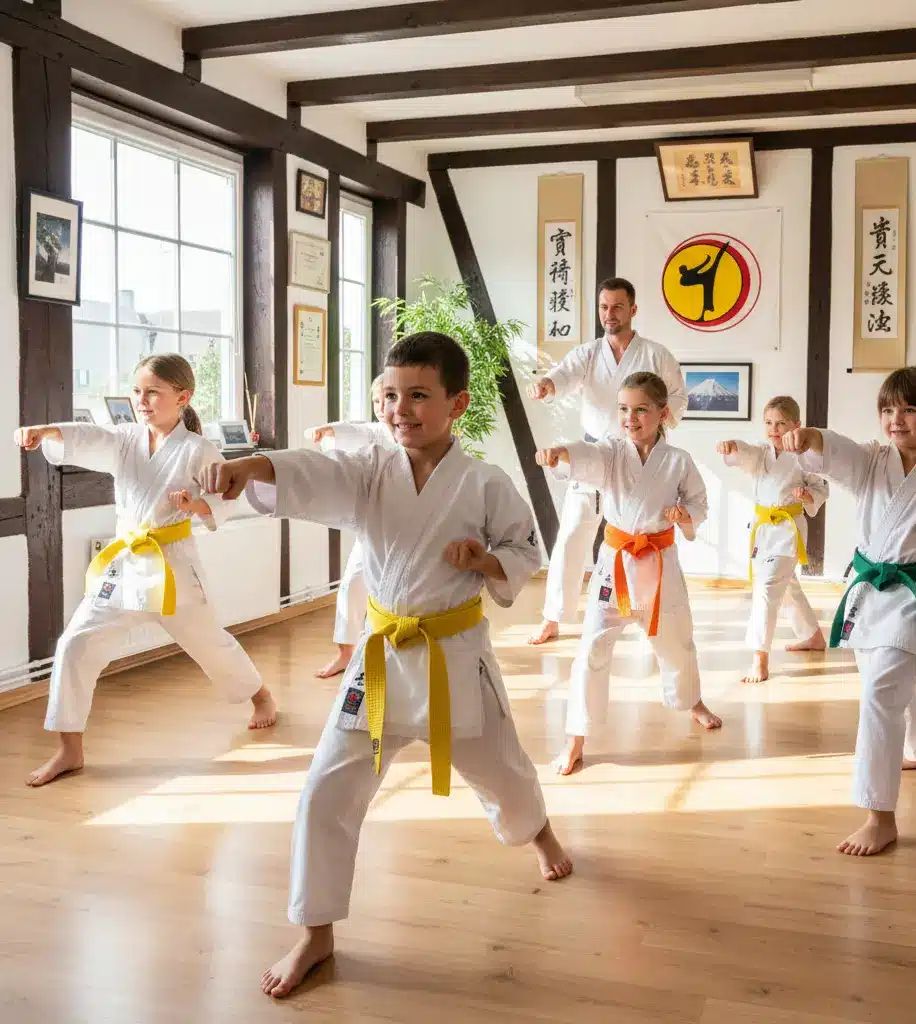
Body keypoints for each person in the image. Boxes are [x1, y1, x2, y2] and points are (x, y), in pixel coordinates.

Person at [199, 332, 573, 999]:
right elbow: (315, 474)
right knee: (325, 791)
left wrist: (485, 560)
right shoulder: (371, 468)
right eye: (392, 396)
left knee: (503, 772)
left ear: (457, 403)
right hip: (378, 663)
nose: (401, 410)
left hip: (454, 659)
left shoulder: (485, 482)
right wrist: (254, 466)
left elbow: (526, 549)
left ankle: (538, 834)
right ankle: (315, 931)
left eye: (419, 396)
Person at [13, 353, 276, 788]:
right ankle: (69, 748)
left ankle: (261, 696)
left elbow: (226, 497)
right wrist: (48, 431)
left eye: (153, 392)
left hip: (174, 568)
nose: (141, 400)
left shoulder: (198, 449)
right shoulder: (125, 439)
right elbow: (89, 436)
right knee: (76, 643)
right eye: (137, 391)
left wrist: (196, 505)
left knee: (210, 643)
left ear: (182, 397)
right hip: (125, 565)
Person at [783, 365, 916, 856]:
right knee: (885, 680)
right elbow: (837, 453)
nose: (896, 419)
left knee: (880, 690)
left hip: (912, 594)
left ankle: (879, 816)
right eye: (888, 409)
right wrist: (811, 438)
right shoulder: (873, 461)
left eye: (910, 409)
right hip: (868, 589)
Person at [537, 371, 721, 777]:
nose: (629, 418)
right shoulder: (612, 451)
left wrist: (684, 514)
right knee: (592, 647)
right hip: (616, 564)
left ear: (663, 414)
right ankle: (576, 737)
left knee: (677, 641)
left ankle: (691, 700)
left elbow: (699, 502)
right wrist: (562, 454)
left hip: (660, 562)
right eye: (623, 409)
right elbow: (587, 456)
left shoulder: (678, 460)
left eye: (640, 410)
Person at [528, 277, 685, 645]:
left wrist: (655, 426)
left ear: (633, 309)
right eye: (603, 307)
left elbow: (677, 398)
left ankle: (646, 613)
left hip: (639, 456)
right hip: (595, 453)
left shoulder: (656, 355)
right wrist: (548, 385)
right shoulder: (588, 354)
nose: (609, 314)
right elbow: (563, 375)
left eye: (617, 306)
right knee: (572, 533)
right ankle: (553, 616)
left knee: (642, 536)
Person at [716, 395, 828, 684]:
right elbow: (744, 453)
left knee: (766, 587)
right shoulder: (761, 452)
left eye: (781, 423)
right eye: (768, 423)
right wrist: (732, 447)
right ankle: (812, 636)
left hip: (788, 530)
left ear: (796, 425)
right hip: (763, 529)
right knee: (786, 584)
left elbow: (821, 489)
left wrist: (807, 496)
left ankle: (759, 657)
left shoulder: (805, 457)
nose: (773, 429)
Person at [307, 375, 393, 678]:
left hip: (410, 529)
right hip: (375, 526)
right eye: (376, 401)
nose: (381, 407)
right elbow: (358, 430)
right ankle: (346, 653)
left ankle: (394, 653)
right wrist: (330, 429)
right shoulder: (378, 432)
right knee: (353, 584)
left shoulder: (420, 437)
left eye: (388, 398)